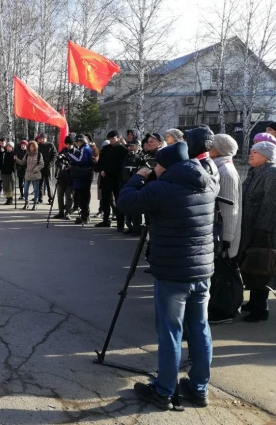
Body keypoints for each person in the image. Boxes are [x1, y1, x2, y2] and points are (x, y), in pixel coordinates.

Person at [118, 142, 217, 411]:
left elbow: (125, 202)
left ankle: (163, 390)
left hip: (174, 273)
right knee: (199, 329)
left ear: (166, 165)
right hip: (202, 270)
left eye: (158, 164)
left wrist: (139, 176)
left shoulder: (162, 189)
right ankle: (198, 388)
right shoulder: (208, 182)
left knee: (171, 332)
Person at [239, 141, 276, 323]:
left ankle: (261, 308)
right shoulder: (255, 172)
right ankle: (254, 302)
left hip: (263, 231)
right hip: (250, 229)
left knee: (261, 267)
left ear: (266, 156)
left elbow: (269, 204)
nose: (250, 155)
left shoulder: (271, 173)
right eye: (251, 151)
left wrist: (262, 231)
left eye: (255, 152)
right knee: (252, 266)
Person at [208, 134, 242, 324]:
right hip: (220, 234)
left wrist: (227, 239)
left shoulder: (226, 171)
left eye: (211, 145)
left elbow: (230, 209)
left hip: (224, 236)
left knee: (223, 275)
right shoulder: (220, 167)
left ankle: (224, 310)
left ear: (218, 149)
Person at [95, 130, 127, 231]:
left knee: (118, 201)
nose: (112, 140)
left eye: (113, 138)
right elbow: (101, 162)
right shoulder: (105, 149)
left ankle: (120, 223)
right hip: (105, 178)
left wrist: (107, 171)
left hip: (116, 179)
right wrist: (101, 170)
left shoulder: (122, 149)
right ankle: (106, 220)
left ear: (118, 137)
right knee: (105, 200)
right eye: (110, 139)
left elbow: (120, 165)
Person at [119, 141, 144, 235]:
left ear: (138, 147)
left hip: (136, 183)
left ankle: (137, 228)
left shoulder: (141, 157)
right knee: (128, 206)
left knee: (136, 208)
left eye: (133, 146)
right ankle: (129, 226)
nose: (130, 148)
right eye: (130, 146)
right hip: (126, 182)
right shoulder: (127, 156)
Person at [69, 135, 94, 224]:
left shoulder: (85, 148)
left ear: (81, 141)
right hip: (82, 175)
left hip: (83, 175)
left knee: (83, 197)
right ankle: (84, 216)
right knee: (81, 197)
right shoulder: (83, 148)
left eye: (77, 142)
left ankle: (85, 217)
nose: (76, 143)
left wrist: (70, 155)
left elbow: (80, 160)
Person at [16, 140, 44, 210]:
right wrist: (16, 159)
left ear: (35, 147)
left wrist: (36, 169)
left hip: (35, 175)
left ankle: (35, 203)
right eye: (30, 146)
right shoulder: (27, 154)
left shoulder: (39, 154)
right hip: (27, 175)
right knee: (25, 190)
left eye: (33, 146)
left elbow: (42, 164)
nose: (31, 148)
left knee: (36, 190)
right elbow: (22, 163)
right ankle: (26, 202)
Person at [53, 135, 75, 220]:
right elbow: (57, 161)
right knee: (59, 195)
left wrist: (70, 166)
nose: (68, 146)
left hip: (70, 177)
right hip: (61, 176)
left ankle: (68, 212)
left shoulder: (76, 152)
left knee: (69, 196)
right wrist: (60, 165)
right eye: (67, 144)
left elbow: (76, 162)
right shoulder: (63, 151)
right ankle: (61, 211)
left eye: (70, 144)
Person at [37, 133, 58, 204]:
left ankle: (50, 198)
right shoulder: (38, 146)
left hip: (48, 167)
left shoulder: (50, 145)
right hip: (40, 167)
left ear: (46, 138)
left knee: (48, 183)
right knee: (40, 183)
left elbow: (55, 155)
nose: (42, 140)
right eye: (41, 138)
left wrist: (51, 163)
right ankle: (40, 198)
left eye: (43, 138)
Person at [0, 142, 16, 206]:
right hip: (4, 171)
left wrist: (14, 160)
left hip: (10, 172)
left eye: (10, 146)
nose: (9, 147)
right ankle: (7, 198)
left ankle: (10, 199)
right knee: (5, 186)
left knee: (10, 186)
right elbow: (1, 161)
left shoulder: (13, 154)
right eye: (8, 146)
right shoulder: (4, 153)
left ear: (12, 147)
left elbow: (14, 164)